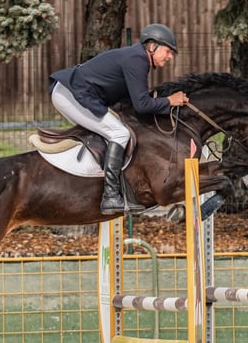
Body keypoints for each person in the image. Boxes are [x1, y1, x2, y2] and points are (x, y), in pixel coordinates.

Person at [49, 23, 189, 215]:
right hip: (70, 94)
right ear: (152, 46)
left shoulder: (138, 58)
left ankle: (108, 189)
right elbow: (142, 105)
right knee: (119, 133)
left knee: (115, 131)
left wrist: (162, 102)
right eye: (168, 51)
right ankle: (110, 197)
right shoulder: (137, 59)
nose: (170, 56)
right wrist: (170, 101)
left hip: (75, 93)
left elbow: (134, 102)